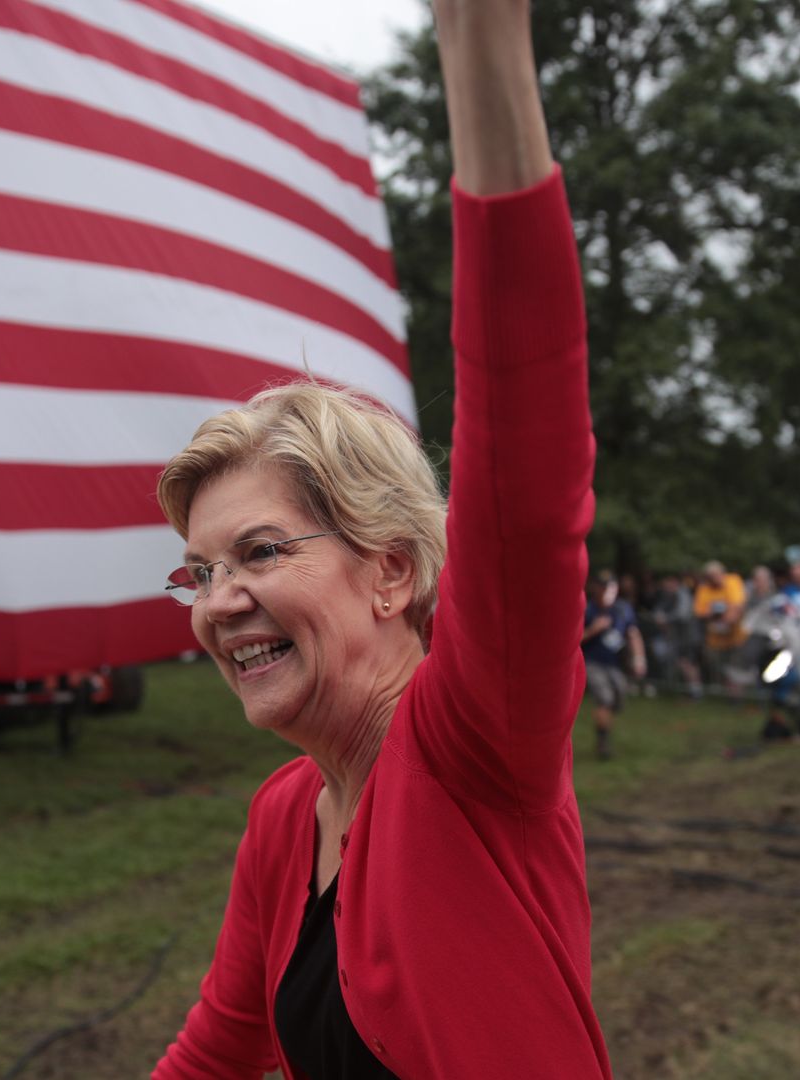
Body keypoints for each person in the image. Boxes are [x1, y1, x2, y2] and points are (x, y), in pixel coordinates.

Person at [152, 6, 612, 1074]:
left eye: (261, 554)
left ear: (392, 570)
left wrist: (479, 40)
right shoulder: (283, 819)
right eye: (202, 571)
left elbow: (531, 483)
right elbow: (218, 1051)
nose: (220, 602)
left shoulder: (474, 746)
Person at [583, 573, 646, 760]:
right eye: (603, 588)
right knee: (604, 699)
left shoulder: (622, 609)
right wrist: (593, 630)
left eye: (611, 588)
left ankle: (605, 725)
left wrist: (639, 659)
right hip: (593, 662)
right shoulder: (587, 609)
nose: (607, 592)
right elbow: (572, 640)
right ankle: (603, 742)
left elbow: (633, 634)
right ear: (596, 589)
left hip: (615, 664)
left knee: (617, 699)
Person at [693, 560, 748, 692]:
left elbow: (737, 607)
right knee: (721, 668)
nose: (715, 579)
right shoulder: (704, 588)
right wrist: (722, 612)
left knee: (738, 667)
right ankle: (728, 694)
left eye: (717, 575)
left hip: (736, 637)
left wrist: (719, 615)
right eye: (711, 577)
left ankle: (738, 697)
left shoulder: (733, 581)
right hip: (715, 640)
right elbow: (700, 612)